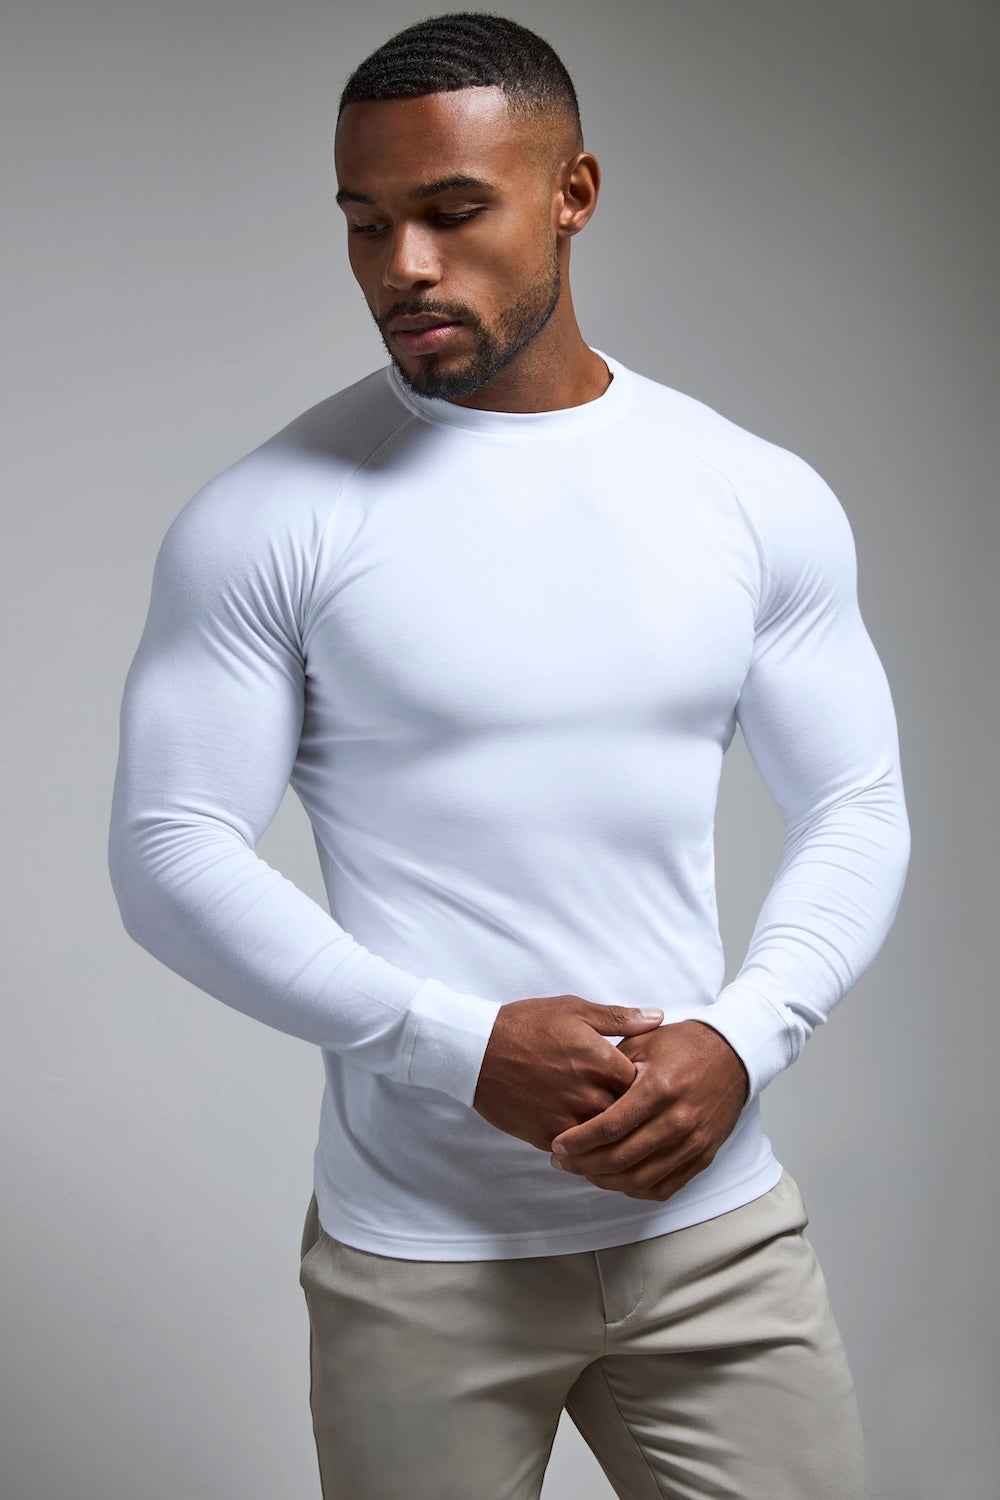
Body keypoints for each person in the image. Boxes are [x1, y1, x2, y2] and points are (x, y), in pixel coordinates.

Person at [108, 12, 910, 1498]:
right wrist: (460, 1047)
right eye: (366, 223)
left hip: (711, 1237)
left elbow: (855, 804)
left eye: (452, 210)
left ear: (572, 193)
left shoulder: (747, 493)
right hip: (421, 1260)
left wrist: (746, 1036)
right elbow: (170, 852)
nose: (403, 266)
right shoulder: (270, 518)